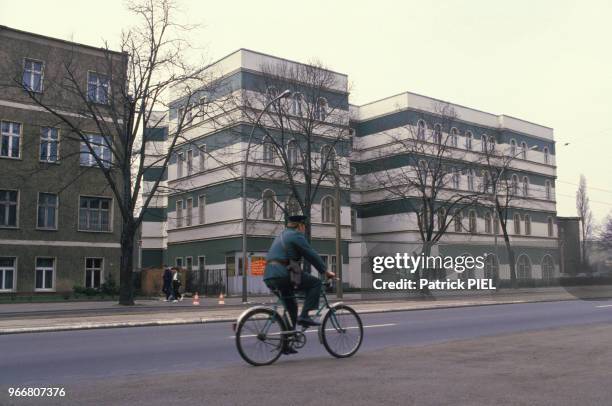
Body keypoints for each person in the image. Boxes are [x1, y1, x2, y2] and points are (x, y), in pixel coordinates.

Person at [264, 215, 335, 332]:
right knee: (315, 283)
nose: (304, 229)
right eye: (304, 226)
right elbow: (310, 254)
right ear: (300, 226)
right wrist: (325, 271)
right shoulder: (296, 235)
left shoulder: (281, 235)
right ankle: (305, 315)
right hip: (283, 274)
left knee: (292, 306)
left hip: (269, 276)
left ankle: (288, 339)